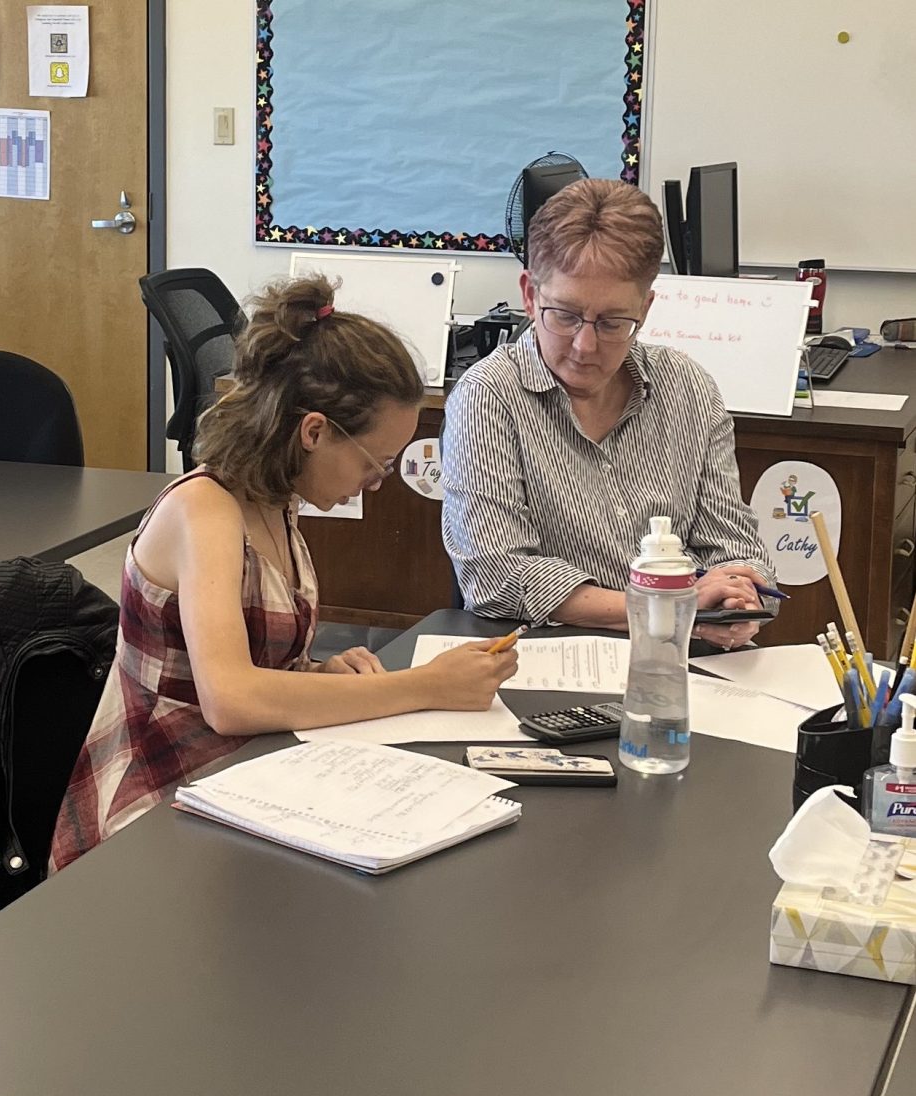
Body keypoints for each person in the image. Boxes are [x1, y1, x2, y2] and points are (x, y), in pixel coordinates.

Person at [50, 275, 517, 871]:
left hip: (242, 779)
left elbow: (251, 668)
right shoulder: (205, 511)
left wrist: (319, 673)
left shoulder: (275, 502)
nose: (378, 481)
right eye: (378, 462)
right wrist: (425, 687)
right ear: (315, 432)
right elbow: (230, 700)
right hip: (153, 808)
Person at [441, 178, 777, 651]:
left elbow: (734, 543)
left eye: (614, 322)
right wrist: (669, 604)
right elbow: (499, 574)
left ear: (646, 307)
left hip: (682, 650)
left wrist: (742, 594)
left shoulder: (687, 387)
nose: (585, 345)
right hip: (547, 655)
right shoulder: (489, 398)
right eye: (565, 315)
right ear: (530, 295)